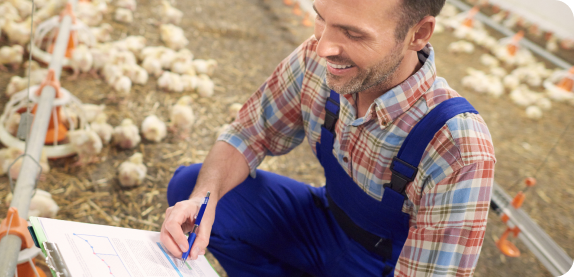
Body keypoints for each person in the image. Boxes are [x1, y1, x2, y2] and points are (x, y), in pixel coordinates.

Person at [160, 0, 496, 276]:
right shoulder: (318, 61)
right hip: (324, 222)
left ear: (418, 34)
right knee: (191, 186)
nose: (323, 47)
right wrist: (203, 199)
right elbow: (248, 133)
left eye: (352, 33)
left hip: (384, 266)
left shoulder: (457, 149)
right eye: (321, 18)